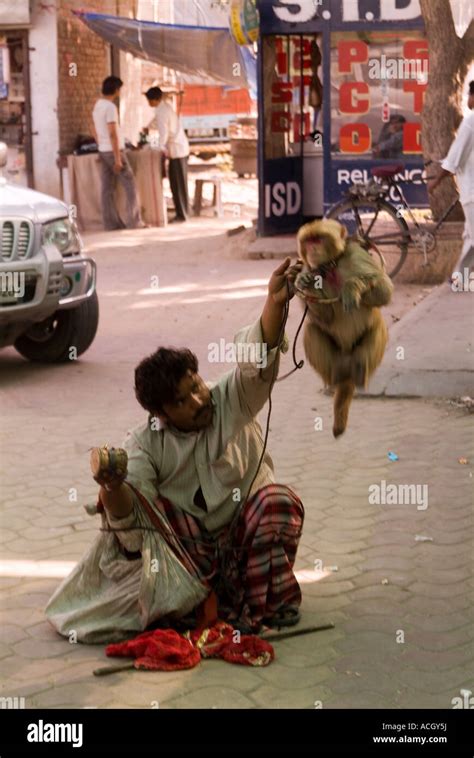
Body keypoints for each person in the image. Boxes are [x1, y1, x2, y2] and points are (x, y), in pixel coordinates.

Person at [45, 259, 306, 643]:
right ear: (161, 414)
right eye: (184, 401)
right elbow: (133, 531)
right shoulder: (144, 445)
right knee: (157, 516)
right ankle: (201, 603)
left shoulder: (228, 398)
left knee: (277, 501)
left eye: (197, 385)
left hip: (246, 543)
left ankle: (265, 603)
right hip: (192, 562)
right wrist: (112, 487)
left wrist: (274, 302)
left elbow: (257, 364)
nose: (200, 400)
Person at [427, 81, 474, 275]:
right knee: (470, 236)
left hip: (471, 191)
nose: (468, 100)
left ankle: (458, 277)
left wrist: (436, 181)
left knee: (471, 237)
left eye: (469, 95)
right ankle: (459, 278)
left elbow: (454, 160)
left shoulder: (471, 121)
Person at [92, 76, 143, 230]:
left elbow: (92, 127)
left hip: (103, 150)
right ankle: (134, 221)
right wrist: (118, 158)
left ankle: (110, 223)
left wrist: (99, 143)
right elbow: (113, 132)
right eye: (119, 89)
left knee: (106, 189)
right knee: (130, 185)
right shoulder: (110, 107)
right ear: (115, 90)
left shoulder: (97, 105)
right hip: (114, 151)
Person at [144, 86, 190, 222]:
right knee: (176, 184)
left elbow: (163, 134)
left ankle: (182, 215)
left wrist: (156, 147)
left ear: (156, 99)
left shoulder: (162, 111)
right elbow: (155, 123)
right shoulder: (163, 108)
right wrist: (147, 128)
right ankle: (182, 212)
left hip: (178, 150)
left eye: (150, 100)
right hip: (177, 150)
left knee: (178, 184)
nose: (149, 103)